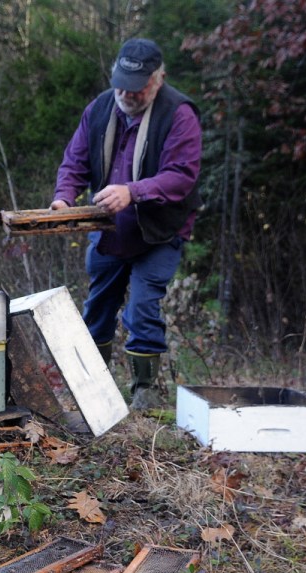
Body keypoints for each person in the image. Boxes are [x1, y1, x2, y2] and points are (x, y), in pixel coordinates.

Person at [50, 38, 202, 410]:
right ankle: (93, 391)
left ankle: (144, 394)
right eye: (120, 84)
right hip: (110, 230)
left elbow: (182, 176)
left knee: (143, 308)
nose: (126, 94)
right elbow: (75, 161)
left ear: (158, 79)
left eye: (136, 88)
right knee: (98, 305)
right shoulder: (101, 108)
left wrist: (132, 192)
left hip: (160, 233)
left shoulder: (179, 113)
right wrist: (63, 198)